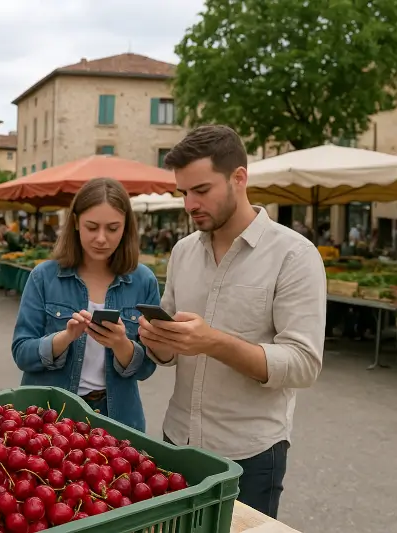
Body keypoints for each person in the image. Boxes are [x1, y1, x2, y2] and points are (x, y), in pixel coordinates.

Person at [137, 125, 326, 519]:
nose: (189, 204)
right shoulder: (183, 252)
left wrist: (213, 342)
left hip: (250, 453)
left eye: (201, 190)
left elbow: (303, 365)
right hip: (178, 440)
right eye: (183, 193)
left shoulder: (294, 255)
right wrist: (156, 339)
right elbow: (169, 356)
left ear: (239, 178)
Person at [11, 178, 160, 431]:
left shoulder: (143, 280)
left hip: (118, 417)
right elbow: (22, 353)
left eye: (113, 228)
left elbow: (147, 366)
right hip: (50, 417)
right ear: (76, 223)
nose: (101, 238)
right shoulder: (44, 276)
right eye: (92, 227)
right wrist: (65, 337)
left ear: (126, 228)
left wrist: (121, 344)